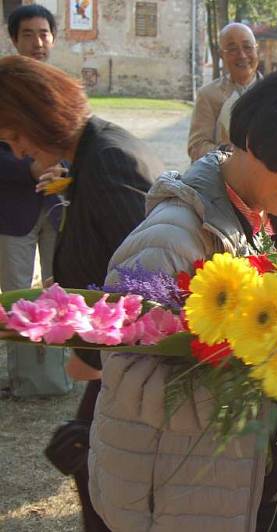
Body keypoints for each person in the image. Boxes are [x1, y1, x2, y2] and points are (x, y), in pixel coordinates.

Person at [88, 62, 277, 531]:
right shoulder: (170, 239)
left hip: (249, 476)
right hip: (182, 491)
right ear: (263, 141)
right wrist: (261, 383)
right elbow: (124, 369)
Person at [0, 56, 163, 531]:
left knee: (96, 471)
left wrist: (91, 358)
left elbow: (144, 287)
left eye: (14, 138)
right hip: (116, 364)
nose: (15, 153)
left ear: (38, 118)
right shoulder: (92, 153)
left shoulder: (109, 161)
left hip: (132, 364)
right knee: (85, 461)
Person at [1, 4, 71, 399]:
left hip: (58, 208)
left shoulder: (63, 87)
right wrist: (27, 172)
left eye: (44, 33)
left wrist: (65, 172)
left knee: (59, 290)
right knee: (18, 296)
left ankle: (56, 378)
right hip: (13, 211)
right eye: (29, 34)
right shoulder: (3, 89)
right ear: (14, 39)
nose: (38, 42)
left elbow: (76, 140)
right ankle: (25, 382)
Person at [188, 22, 261, 161]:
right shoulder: (208, 95)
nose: (242, 55)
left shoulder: (276, 93)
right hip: (221, 177)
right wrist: (229, 153)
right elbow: (196, 147)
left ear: (257, 50)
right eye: (232, 49)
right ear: (222, 55)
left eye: (247, 47)